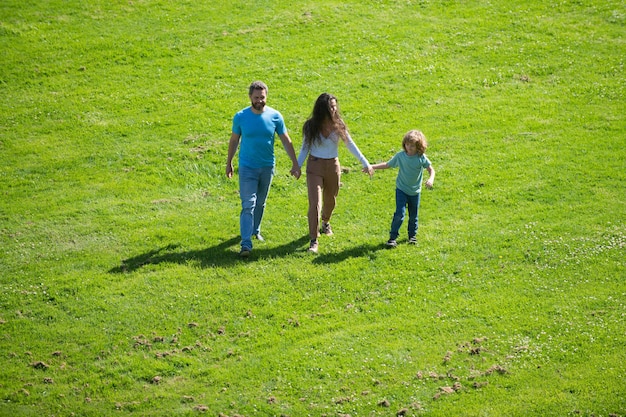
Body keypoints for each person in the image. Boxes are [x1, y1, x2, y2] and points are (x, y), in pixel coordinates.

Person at [226, 81, 301, 257]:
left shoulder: (275, 116)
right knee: (248, 204)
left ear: (266, 96)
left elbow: (286, 140)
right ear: (250, 97)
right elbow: (234, 140)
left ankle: (255, 230)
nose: (259, 100)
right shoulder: (241, 117)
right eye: (256, 97)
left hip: (267, 166)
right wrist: (229, 162)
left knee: (261, 202)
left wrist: (295, 163)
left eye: (262, 97)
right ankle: (246, 244)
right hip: (247, 167)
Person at [297, 93, 374, 253]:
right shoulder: (311, 126)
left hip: (333, 165)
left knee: (330, 200)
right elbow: (305, 147)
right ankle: (313, 240)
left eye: (334, 106)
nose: (333, 109)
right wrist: (297, 166)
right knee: (315, 203)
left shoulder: (339, 124)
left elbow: (350, 144)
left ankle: (325, 222)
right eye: (330, 107)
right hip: (315, 166)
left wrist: (365, 163)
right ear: (321, 109)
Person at [367, 130, 435, 247]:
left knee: (413, 215)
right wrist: (371, 166)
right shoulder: (400, 156)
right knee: (400, 213)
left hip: (415, 192)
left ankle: (412, 236)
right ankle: (392, 238)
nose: (409, 147)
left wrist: (431, 179)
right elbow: (388, 165)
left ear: (419, 146)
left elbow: (431, 169)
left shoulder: (421, 157)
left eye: (412, 145)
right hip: (402, 190)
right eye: (407, 144)